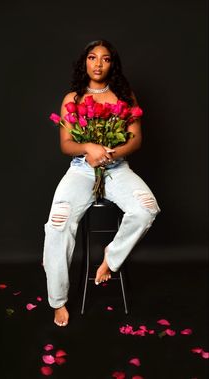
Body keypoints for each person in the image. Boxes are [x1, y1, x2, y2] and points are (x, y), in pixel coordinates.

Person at [43, 40, 160, 327]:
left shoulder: (124, 96)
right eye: (92, 58)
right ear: (84, 62)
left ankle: (112, 256)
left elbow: (136, 139)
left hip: (117, 168)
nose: (98, 64)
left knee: (147, 209)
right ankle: (58, 300)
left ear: (112, 64)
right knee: (57, 226)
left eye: (105, 59)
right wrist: (89, 148)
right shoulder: (73, 98)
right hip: (82, 170)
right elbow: (67, 145)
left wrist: (110, 153)